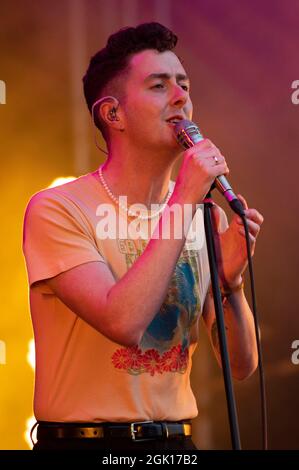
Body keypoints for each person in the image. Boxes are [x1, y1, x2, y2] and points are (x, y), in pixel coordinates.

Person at [22, 22, 263, 451]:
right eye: (159, 85)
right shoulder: (58, 209)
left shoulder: (198, 216)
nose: (181, 97)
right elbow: (123, 322)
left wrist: (231, 284)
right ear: (113, 113)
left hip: (174, 444)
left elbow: (241, 365)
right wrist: (186, 196)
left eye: (184, 85)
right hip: (86, 445)